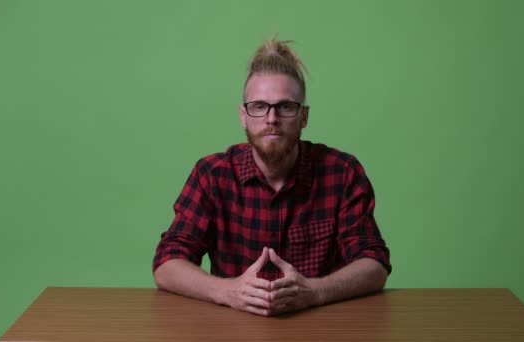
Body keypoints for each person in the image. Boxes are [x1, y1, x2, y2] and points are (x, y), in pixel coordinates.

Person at [153, 35, 391, 317]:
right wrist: (227, 292)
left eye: (286, 106)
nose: (271, 118)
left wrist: (315, 291)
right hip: (233, 329)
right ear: (243, 115)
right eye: (259, 106)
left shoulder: (342, 172)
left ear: (304, 116)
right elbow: (167, 263)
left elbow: (374, 262)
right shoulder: (212, 175)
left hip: (320, 328)